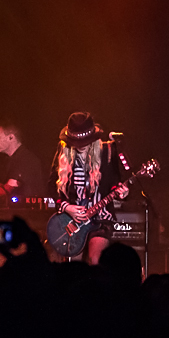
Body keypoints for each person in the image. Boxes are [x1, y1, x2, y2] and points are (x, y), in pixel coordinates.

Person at [48, 111, 128, 264]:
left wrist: (122, 191)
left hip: (100, 217)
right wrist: (67, 207)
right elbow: (51, 186)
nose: (81, 147)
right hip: (72, 220)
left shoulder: (107, 152)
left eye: (85, 143)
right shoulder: (63, 152)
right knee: (73, 267)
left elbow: (116, 181)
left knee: (95, 258)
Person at [0, 120, 45, 199]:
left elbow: (8, 188)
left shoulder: (26, 159)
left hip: (29, 209)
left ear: (11, 137)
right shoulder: (8, 160)